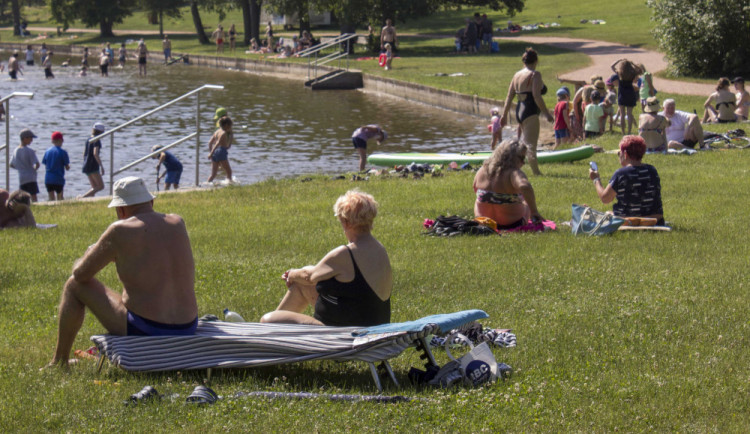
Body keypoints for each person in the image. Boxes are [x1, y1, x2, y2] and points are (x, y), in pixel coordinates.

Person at [45, 176, 198, 369]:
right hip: (188, 325)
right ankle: (60, 361)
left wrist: (91, 253)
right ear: (151, 201)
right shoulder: (177, 222)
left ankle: (59, 362)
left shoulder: (120, 230)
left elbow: (80, 274)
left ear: (121, 209)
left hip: (148, 329)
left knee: (73, 285)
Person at [261, 190, 391, 327]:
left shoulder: (346, 253)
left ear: (346, 222)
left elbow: (308, 276)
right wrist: (301, 273)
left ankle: (268, 335)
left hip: (345, 333)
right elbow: (315, 274)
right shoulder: (379, 249)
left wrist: (292, 274)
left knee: (268, 319)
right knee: (301, 285)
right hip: (373, 325)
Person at [500, 47, 553, 176]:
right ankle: (536, 173)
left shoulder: (517, 75)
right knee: (531, 145)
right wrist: (546, 113)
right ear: (536, 61)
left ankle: (514, 167)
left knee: (523, 144)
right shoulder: (535, 74)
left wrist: (504, 115)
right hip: (530, 110)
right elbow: (537, 96)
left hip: (519, 110)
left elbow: (509, 96)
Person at [590, 135, 663, 224]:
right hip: (653, 219)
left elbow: (605, 199)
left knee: (607, 213)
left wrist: (596, 179)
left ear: (625, 154)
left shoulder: (621, 174)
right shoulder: (652, 170)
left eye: (619, 153)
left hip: (628, 219)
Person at [473, 138, 543, 229]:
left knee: (481, 195)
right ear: (512, 157)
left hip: (484, 222)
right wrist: (534, 211)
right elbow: (525, 186)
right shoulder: (513, 173)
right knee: (525, 200)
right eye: (522, 158)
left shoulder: (482, 170)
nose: (523, 162)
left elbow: (475, 188)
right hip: (512, 223)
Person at [611, 59, 643, 134]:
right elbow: (640, 70)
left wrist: (618, 61)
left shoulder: (620, 73)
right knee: (629, 113)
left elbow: (612, 66)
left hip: (622, 94)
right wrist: (632, 63)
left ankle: (623, 132)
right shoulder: (632, 74)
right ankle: (629, 131)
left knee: (622, 114)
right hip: (630, 93)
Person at [10, 129, 40, 202]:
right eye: (30, 138)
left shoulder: (16, 150)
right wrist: (34, 169)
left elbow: (11, 164)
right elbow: (37, 164)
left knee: (23, 197)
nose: (32, 140)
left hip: (22, 177)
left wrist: (20, 168)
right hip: (31, 177)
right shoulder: (30, 151)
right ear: (25, 138)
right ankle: (35, 205)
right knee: (33, 195)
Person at [42, 131, 70, 201]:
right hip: (58, 179)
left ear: (52, 141)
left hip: (48, 179)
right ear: (61, 140)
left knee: (51, 199)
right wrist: (68, 167)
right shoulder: (63, 152)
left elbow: (45, 163)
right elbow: (67, 167)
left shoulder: (47, 151)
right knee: (60, 198)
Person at [82, 123, 106, 198]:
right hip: (93, 165)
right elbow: (95, 153)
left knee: (94, 188)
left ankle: (87, 200)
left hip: (86, 165)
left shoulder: (88, 139)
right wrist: (101, 166)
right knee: (101, 186)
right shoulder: (96, 141)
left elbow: (84, 153)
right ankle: (82, 198)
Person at [207, 115, 233, 183]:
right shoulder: (223, 133)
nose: (231, 128)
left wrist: (211, 153)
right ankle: (229, 184)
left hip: (215, 152)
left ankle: (207, 183)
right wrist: (211, 153)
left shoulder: (217, 131)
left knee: (213, 174)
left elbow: (210, 143)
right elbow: (218, 143)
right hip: (221, 152)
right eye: (230, 126)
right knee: (229, 171)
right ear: (227, 125)